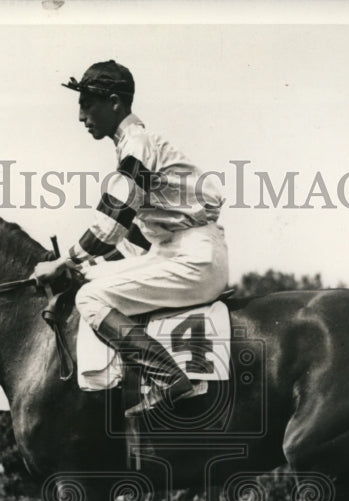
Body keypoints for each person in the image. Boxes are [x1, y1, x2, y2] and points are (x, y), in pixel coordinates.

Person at [33, 60, 229, 415]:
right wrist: (85, 265)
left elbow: (113, 220)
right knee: (89, 279)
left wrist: (65, 260)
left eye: (87, 105)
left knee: (90, 298)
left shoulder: (138, 145)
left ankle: (170, 379)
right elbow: (134, 236)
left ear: (114, 103)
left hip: (193, 258)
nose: (81, 116)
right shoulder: (134, 146)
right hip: (173, 250)